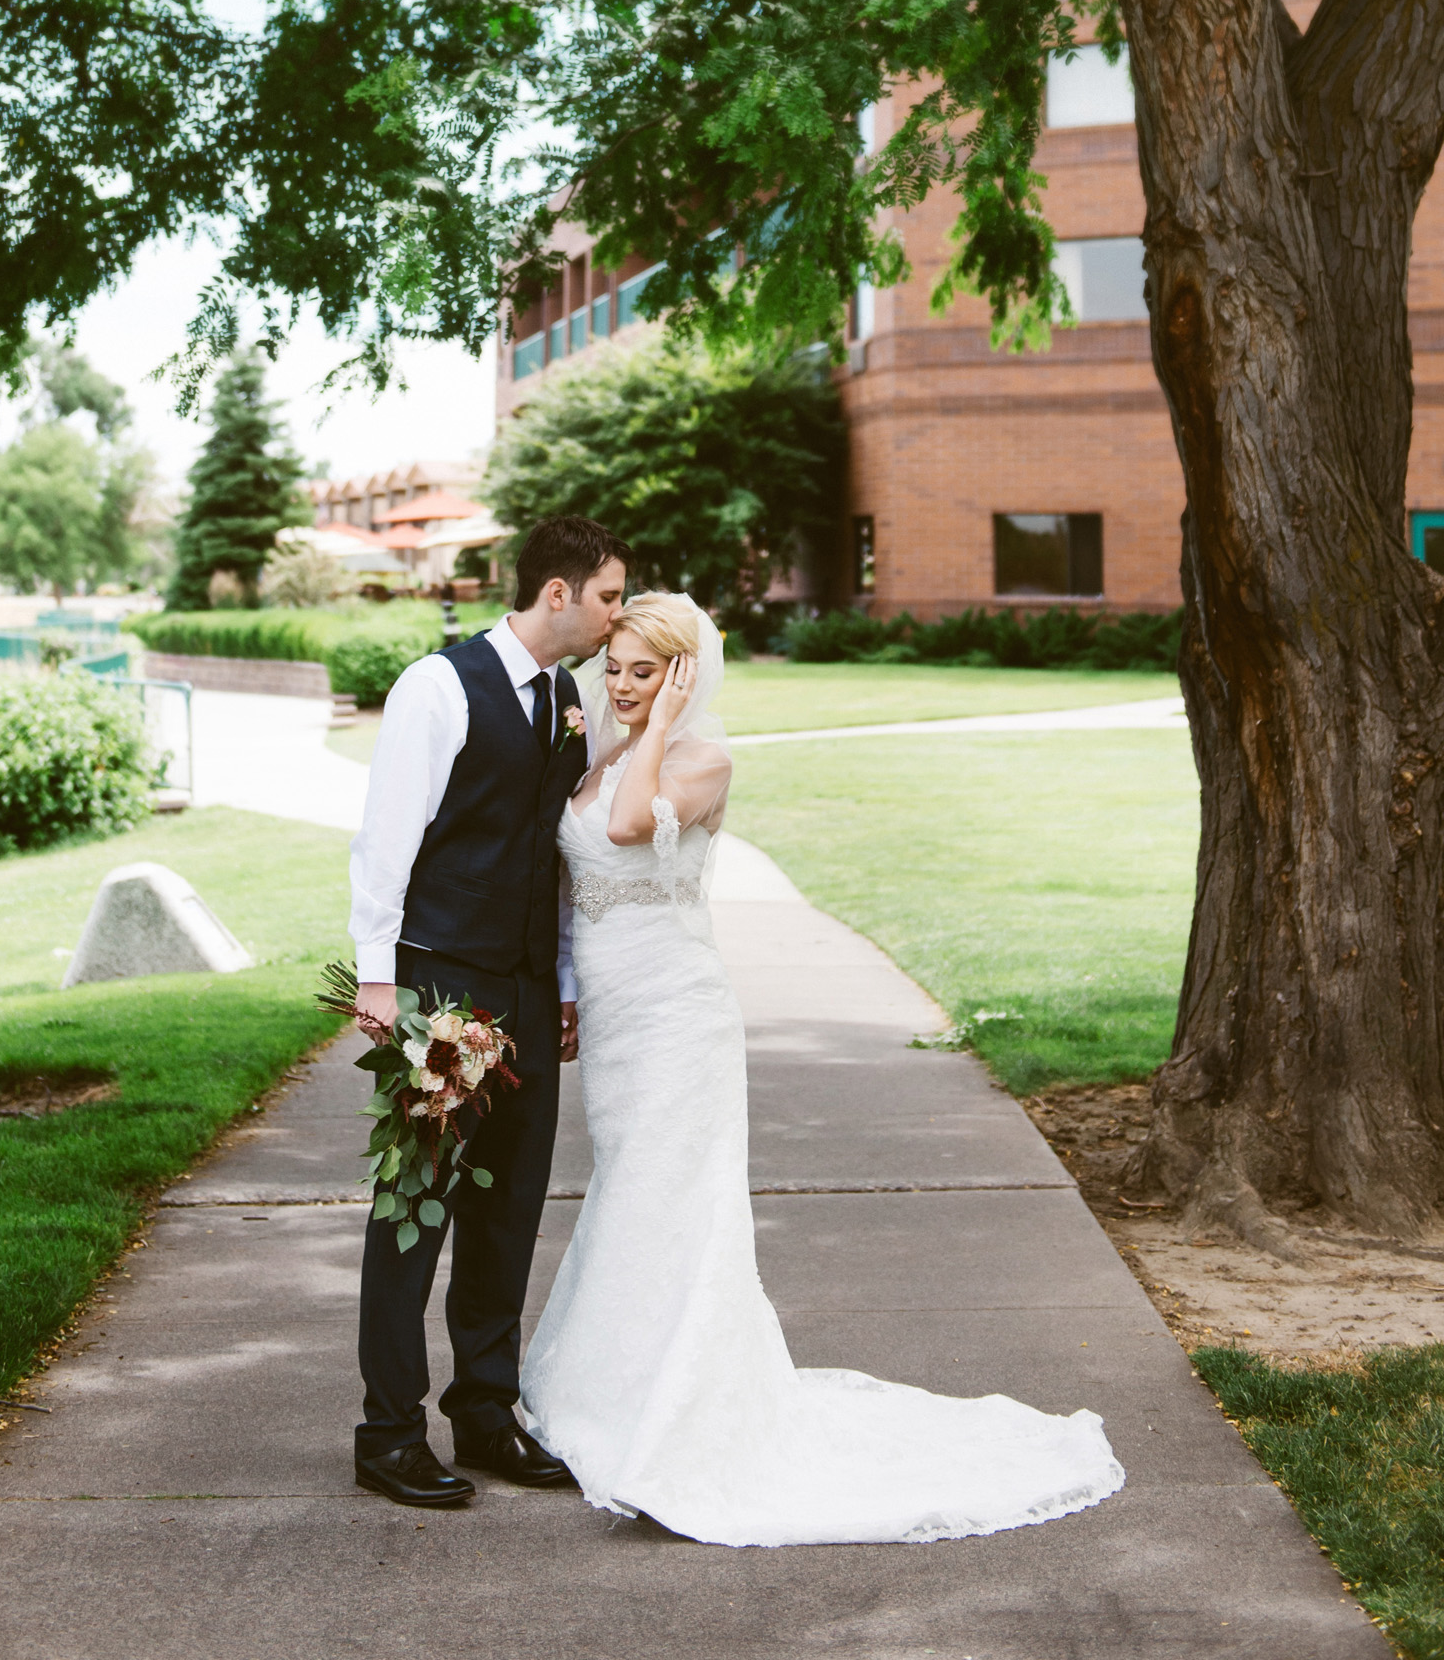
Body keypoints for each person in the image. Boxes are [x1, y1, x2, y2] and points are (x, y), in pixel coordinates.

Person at [519, 589, 1126, 1546]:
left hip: (680, 1014)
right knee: (627, 1187)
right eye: (618, 669)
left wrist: (663, 724)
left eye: (647, 671)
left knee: (674, 1197)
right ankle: (613, 1387)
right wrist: (563, 987)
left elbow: (633, 828)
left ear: (683, 674)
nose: (625, 686)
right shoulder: (594, 761)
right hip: (616, 1014)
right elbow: (571, 879)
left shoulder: (701, 760)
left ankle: (681, 1409)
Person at [347, 512, 631, 1509]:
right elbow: (385, 840)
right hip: (439, 983)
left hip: (519, 984)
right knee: (415, 1204)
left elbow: (554, 858)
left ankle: (482, 1409)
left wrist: (557, 981)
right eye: (607, 596)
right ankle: (387, 1430)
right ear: (557, 592)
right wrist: (377, 980)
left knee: (507, 1209)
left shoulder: (567, 700)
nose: (616, 615)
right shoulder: (439, 686)